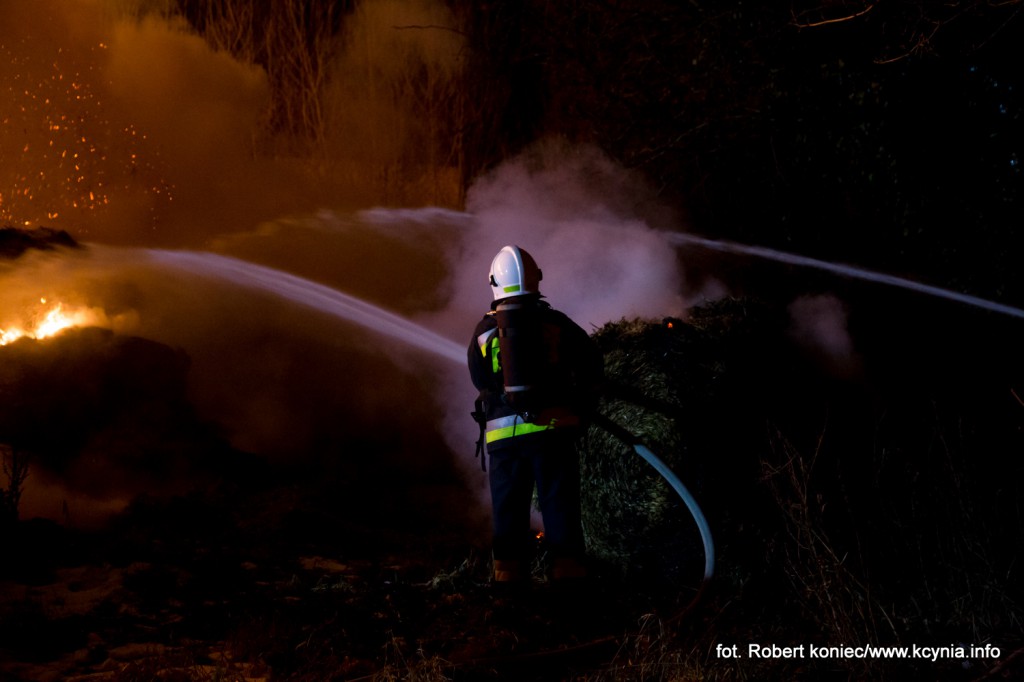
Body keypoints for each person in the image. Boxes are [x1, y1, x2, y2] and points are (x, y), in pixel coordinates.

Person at [468, 245, 603, 585]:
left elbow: (480, 380)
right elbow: (591, 362)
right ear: (535, 279)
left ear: (494, 283)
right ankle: (569, 580)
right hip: (552, 431)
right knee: (559, 506)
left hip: (503, 440)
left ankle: (508, 581)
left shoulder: (483, 332)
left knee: (508, 511)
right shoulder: (556, 324)